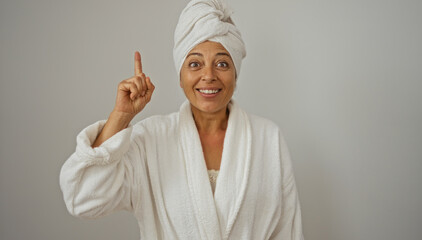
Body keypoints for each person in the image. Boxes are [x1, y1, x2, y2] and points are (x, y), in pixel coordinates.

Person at [59, 0, 304, 239]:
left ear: (235, 74)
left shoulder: (267, 137)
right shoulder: (150, 139)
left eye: (222, 63)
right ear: (180, 76)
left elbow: (288, 232)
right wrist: (121, 117)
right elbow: (83, 200)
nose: (208, 76)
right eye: (195, 64)